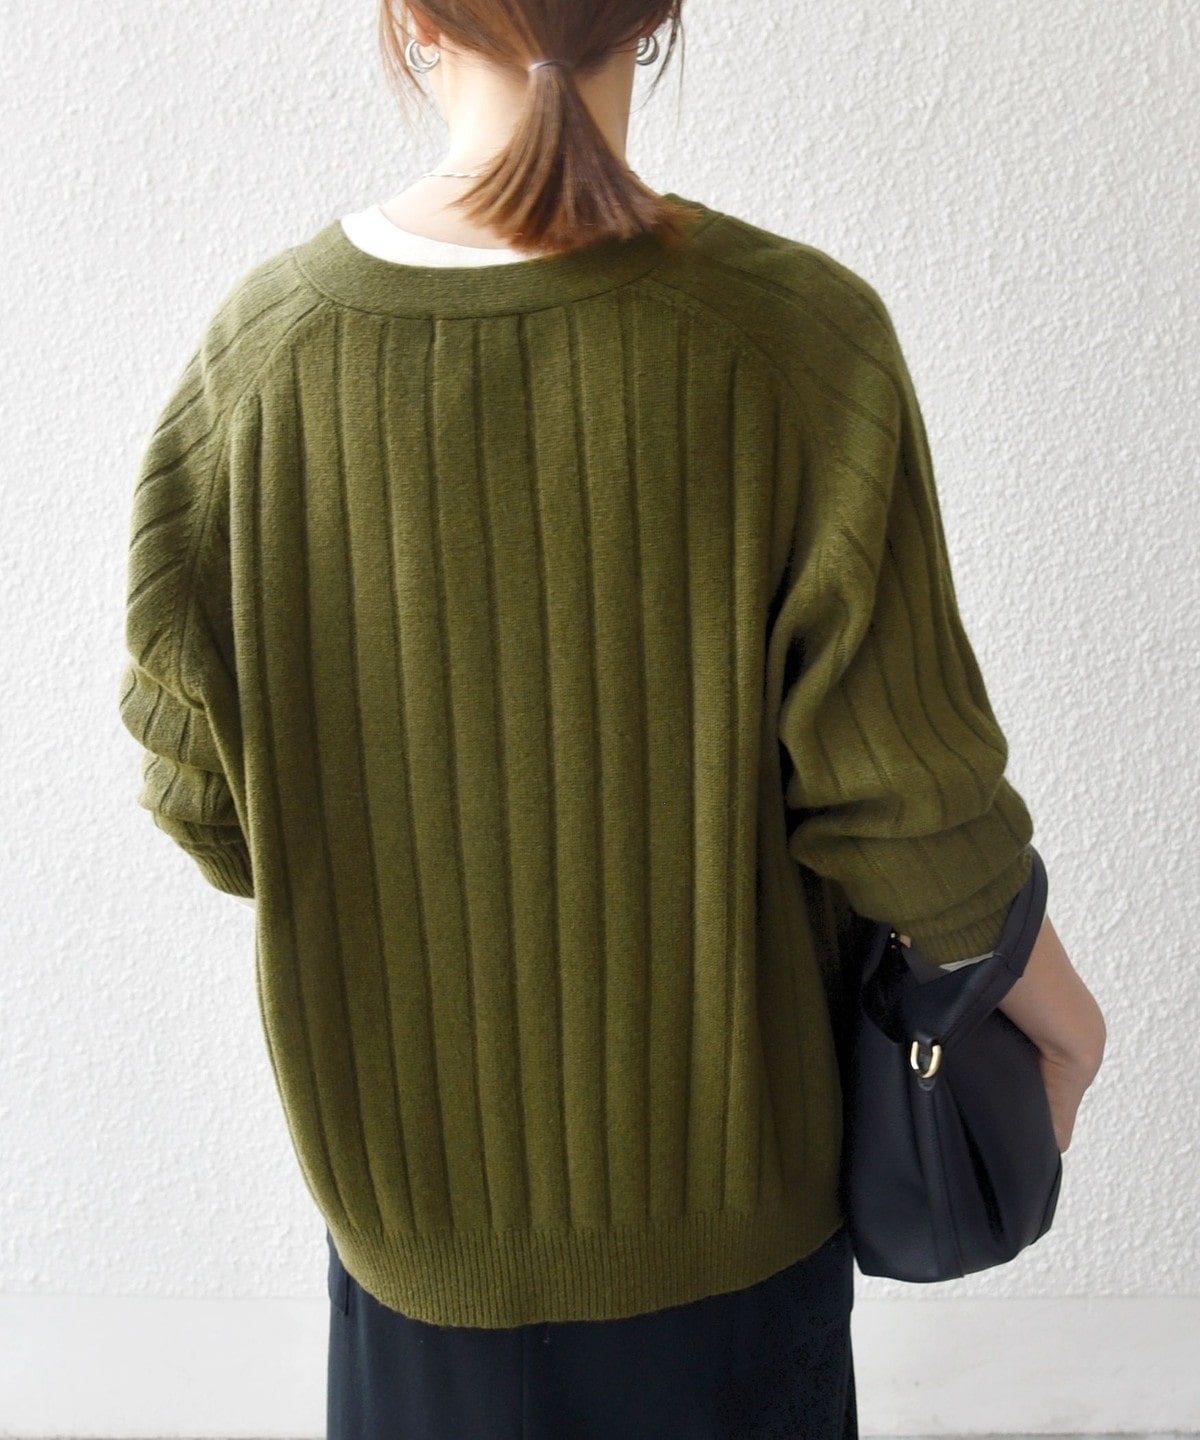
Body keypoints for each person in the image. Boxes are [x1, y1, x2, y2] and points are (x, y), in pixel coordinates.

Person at [116, 1, 1107, 1435]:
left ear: (411, 18)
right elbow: (908, 807)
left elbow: (206, 800)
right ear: (656, 13)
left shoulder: (259, 363)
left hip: (413, 1241)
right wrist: (1065, 1027)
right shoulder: (794, 339)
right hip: (733, 1242)